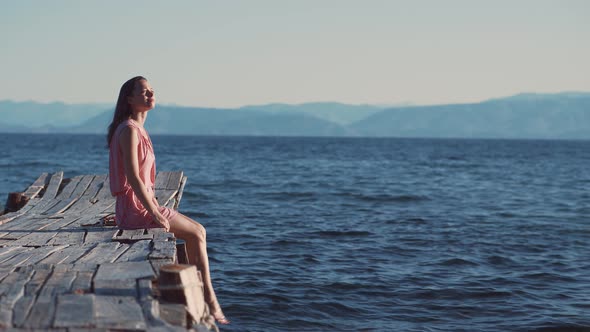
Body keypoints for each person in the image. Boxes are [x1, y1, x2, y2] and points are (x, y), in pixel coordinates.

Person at [107, 76, 229, 325]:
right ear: (129, 99)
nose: (150, 95)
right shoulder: (129, 130)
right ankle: (209, 298)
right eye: (143, 92)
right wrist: (154, 212)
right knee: (197, 233)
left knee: (197, 232)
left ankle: (205, 296)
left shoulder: (135, 128)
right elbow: (133, 176)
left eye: (152, 91)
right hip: (137, 210)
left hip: (134, 207)